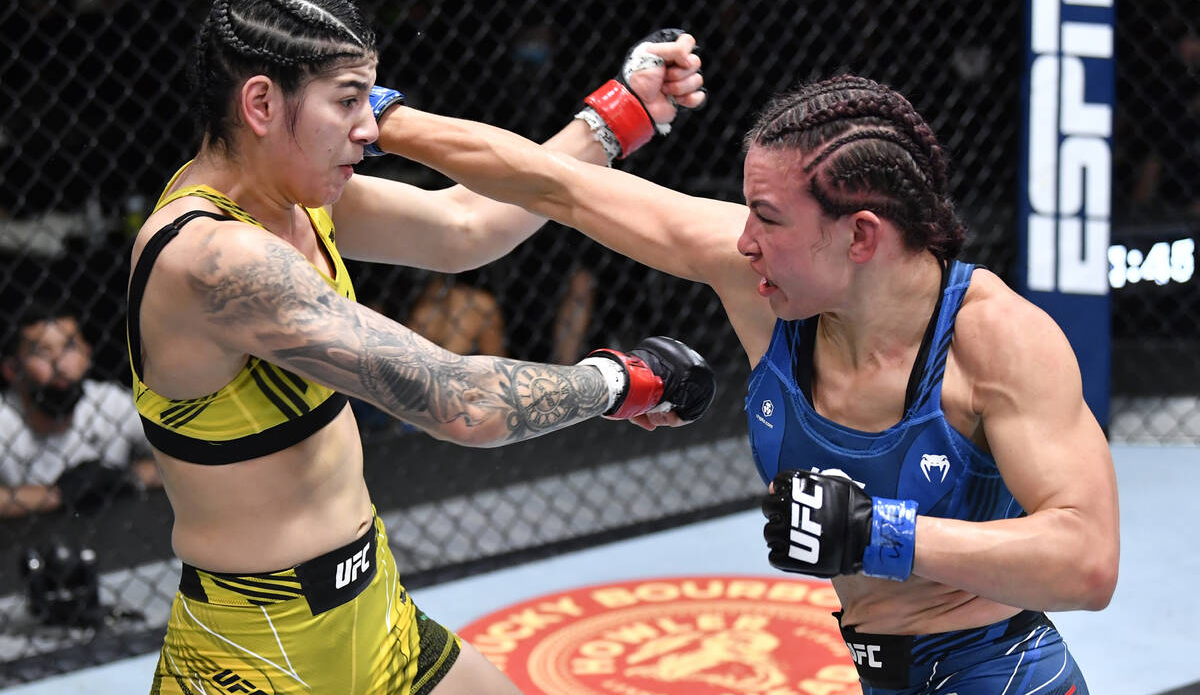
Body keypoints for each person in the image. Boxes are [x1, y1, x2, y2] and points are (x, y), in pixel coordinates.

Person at [130, 0, 714, 695]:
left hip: (374, 615)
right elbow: (460, 401)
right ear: (262, 105)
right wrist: (622, 380)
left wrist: (618, 115)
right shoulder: (212, 258)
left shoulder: (295, 198)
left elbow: (465, 225)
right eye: (347, 101)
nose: (371, 129)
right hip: (260, 662)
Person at [388, 74, 1121, 693]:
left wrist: (877, 533)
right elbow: (556, 185)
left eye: (766, 220)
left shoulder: (996, 339)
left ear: (860, 236)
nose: (743, 242)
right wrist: (379, 114)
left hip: (1001, 673)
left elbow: (1087, 560)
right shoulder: (766, 285)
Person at [1, 302, 160, 518]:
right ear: (12, 369)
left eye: (69, 347)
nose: (60, 364)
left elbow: (185, 455)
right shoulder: (4, 420)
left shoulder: (108, 402)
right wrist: (56, 495)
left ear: (87, 354)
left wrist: (127, 477)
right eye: (42, 352)